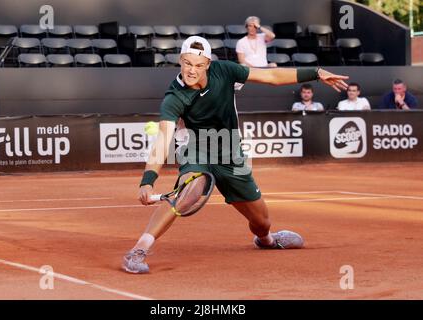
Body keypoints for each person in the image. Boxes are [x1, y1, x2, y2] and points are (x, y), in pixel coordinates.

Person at [123, 36, 349, 274]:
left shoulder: (225, 71)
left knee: (262, 221)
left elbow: (270, 76)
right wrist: (147, 181)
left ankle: (267, 240)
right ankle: (138, 250)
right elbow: (163, 139)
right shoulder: (174, 97)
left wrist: (315, 72)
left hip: (231, 151)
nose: (191, 70)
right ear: (180, 60)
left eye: (198, 65)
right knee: (189, 192)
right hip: (197, 148)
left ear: (208, 64)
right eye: (187, 63)